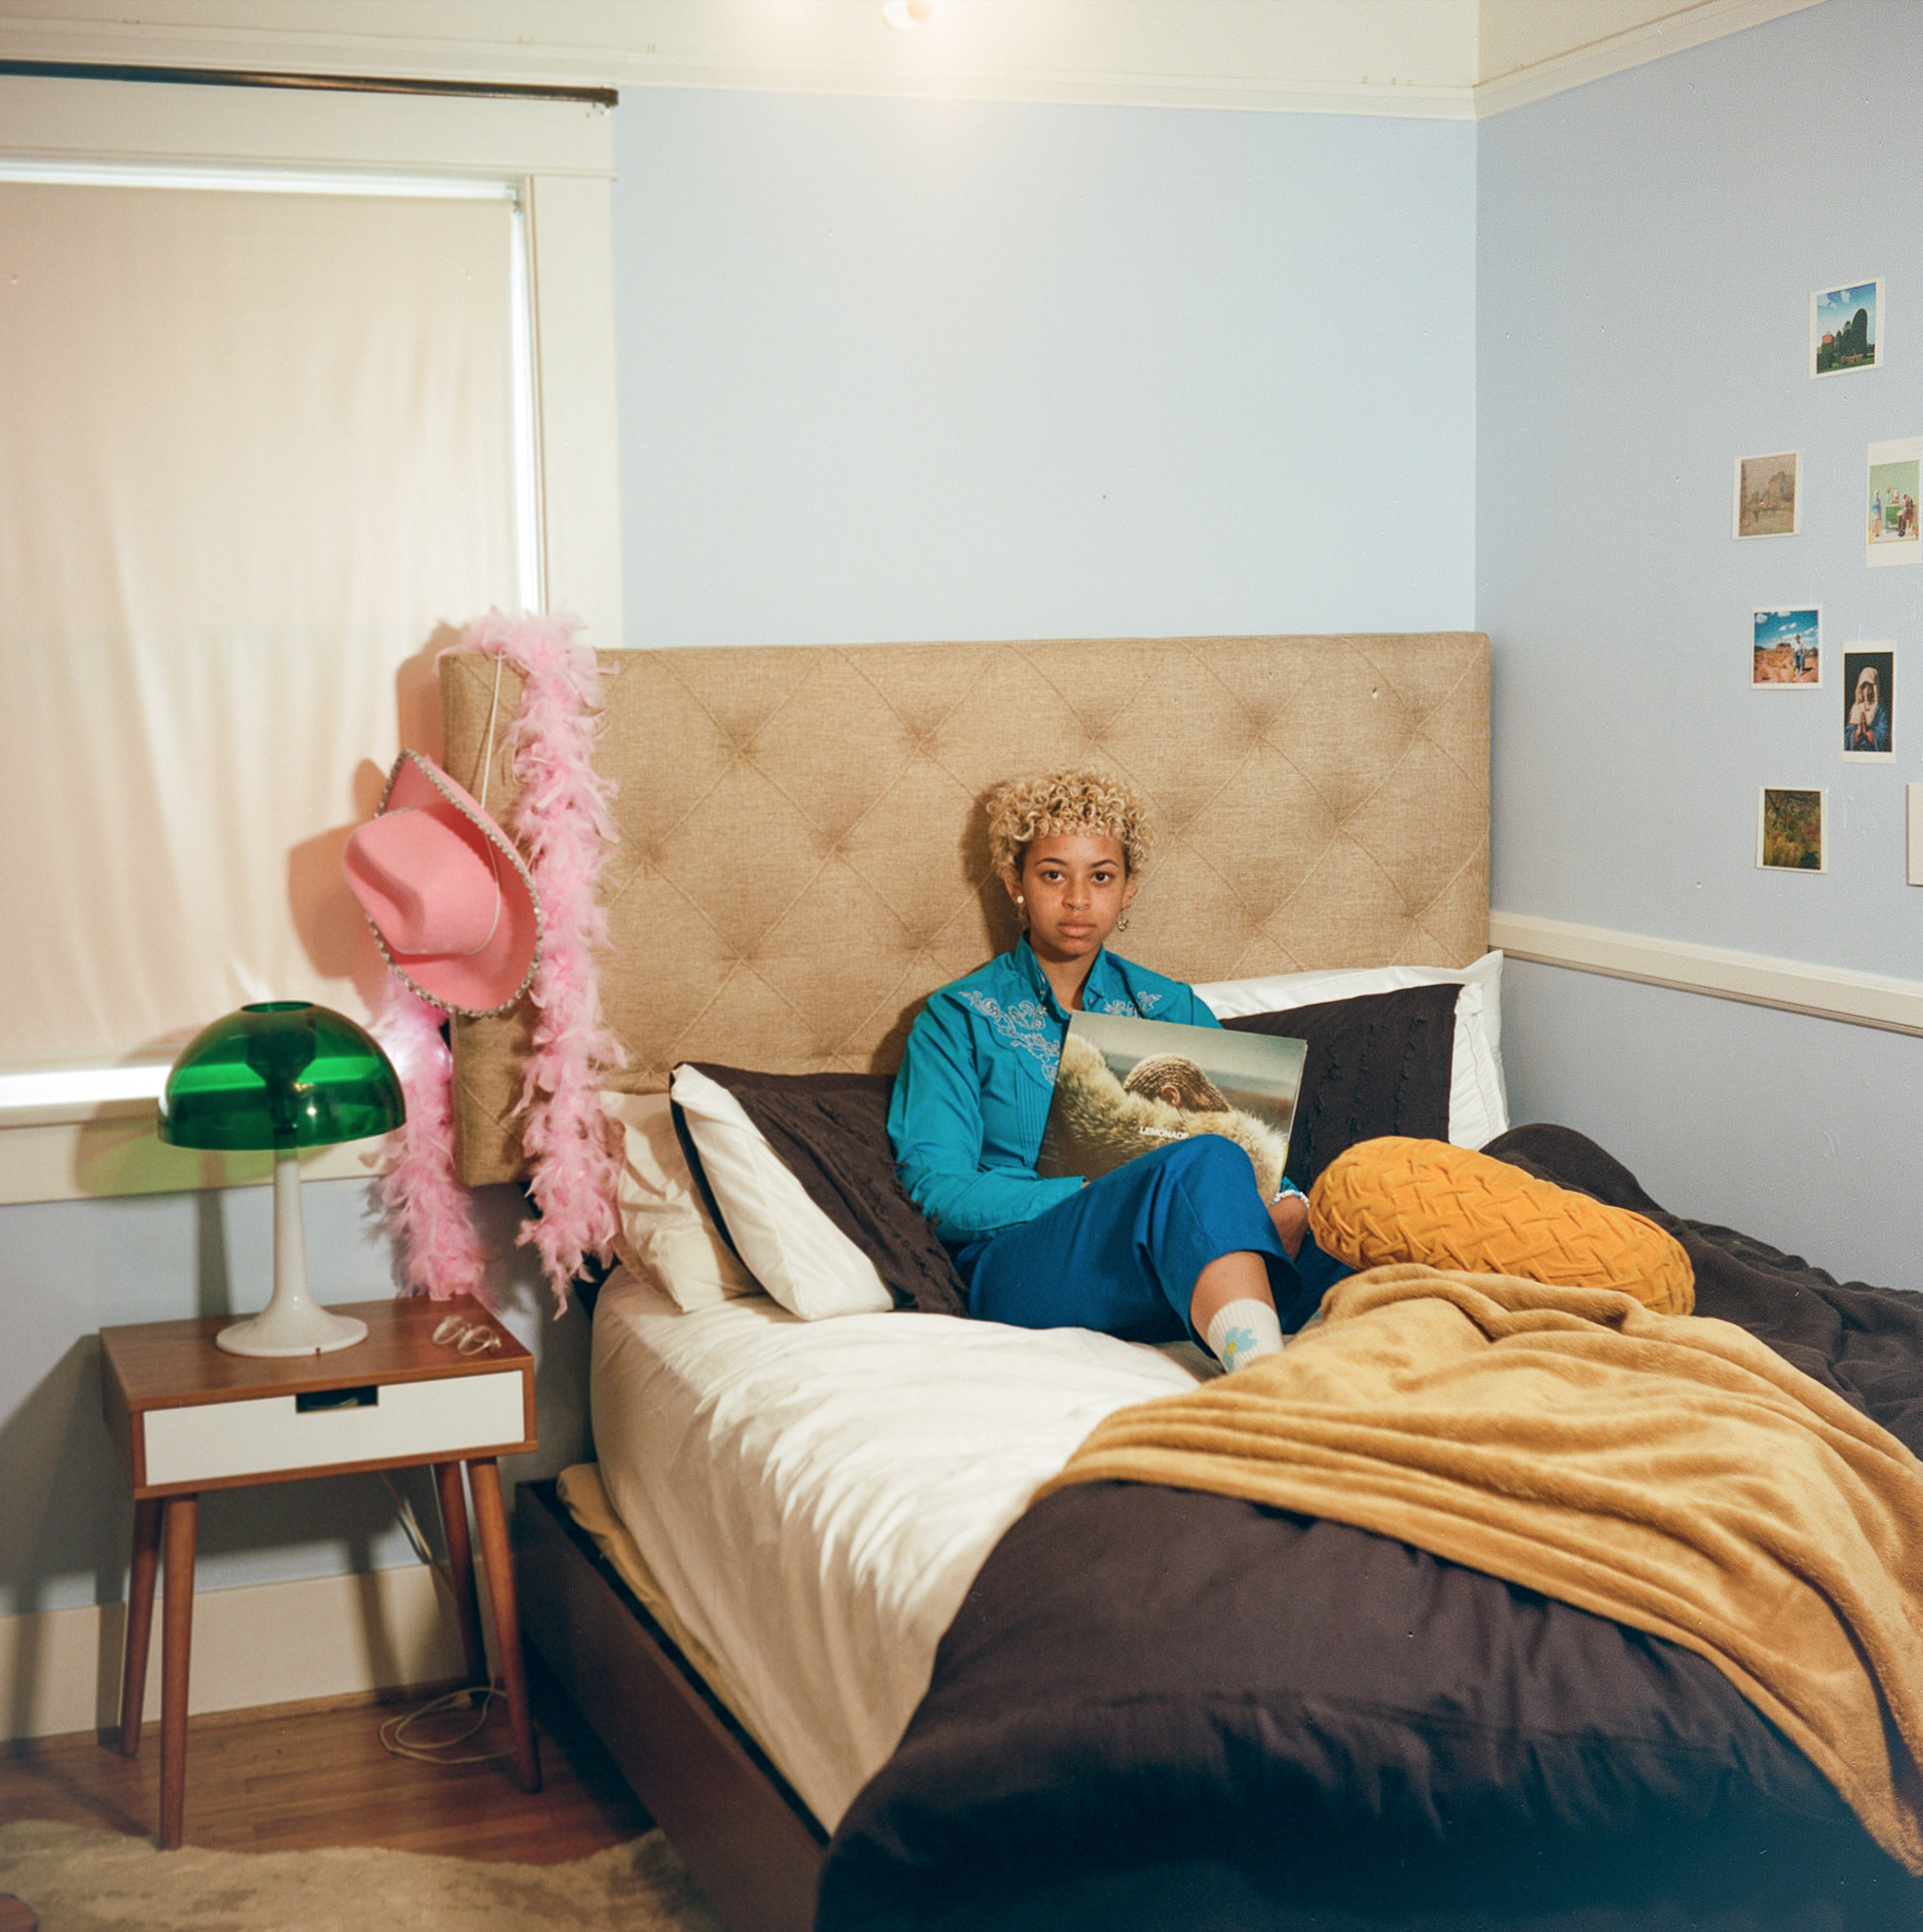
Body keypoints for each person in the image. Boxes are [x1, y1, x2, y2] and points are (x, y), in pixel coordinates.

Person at [887, 767, 1349, 1373]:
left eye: (1101, 876)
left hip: (1170, 1256)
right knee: (1203, 1160)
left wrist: (1287, 1201)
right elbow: (936, 1191)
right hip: (1021, 1267)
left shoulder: (1171, 1006)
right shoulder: (958, 1018)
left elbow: (1246, 1151)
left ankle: (1295, 1357)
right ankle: (1264, 1378)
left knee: (1362, 1210)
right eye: (1053, 875)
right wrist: (1089, 1194)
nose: (1078, 899)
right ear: (1015, 883)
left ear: (1127, 889)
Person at [1846, 664, 1891, 753]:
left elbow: (1885, 734)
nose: (1867, 692)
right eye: (1864, 687)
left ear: (1874, 689)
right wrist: (1857, 732)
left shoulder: (1879, 708)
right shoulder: (1856, 708)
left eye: (1870, 687)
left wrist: (1869, 733)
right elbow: (1846, 735)